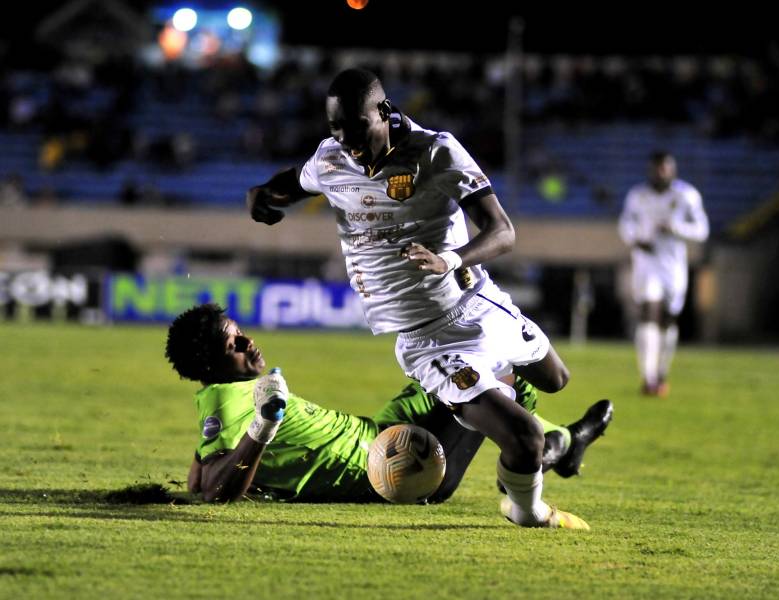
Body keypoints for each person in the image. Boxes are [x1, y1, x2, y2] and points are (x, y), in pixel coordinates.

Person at [246, 68, 612, 528]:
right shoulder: (331, 159)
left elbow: (502, 232)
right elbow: (293, 181)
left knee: (555, 379)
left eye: (354, 126)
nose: (344, 138)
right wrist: (262, 194)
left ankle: (532, 430)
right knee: (522, 438)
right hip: (427, 339)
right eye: (335, 128)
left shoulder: (436, 151)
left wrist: (452, 260)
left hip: (478, 302)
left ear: (382, 111)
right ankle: (529, 511)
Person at [166, 303, 612, 527]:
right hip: (402, 468)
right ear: (209, 366)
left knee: (463, 367)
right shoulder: (230, 400)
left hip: (382, 430)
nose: (248, 343)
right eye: (233, 345)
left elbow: (197, 478)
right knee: (491, 378)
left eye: (240, 334)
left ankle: (555, 446)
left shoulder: (224, 395)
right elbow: (213, 492)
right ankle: (546, 451)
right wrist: (263, 428)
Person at [618, 151, 709, 397]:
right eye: (657, 168)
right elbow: (625, 224)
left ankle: (660, 373)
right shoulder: (638, 195)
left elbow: (701, 230)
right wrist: (636, 239)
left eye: (665, 168)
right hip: (647, 264)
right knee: (649, 313)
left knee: (668, 320)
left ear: (673, 169)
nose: (661, 173)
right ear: (651, 169)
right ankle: (647, 378)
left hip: (673, 266)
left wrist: (676, 228)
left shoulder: (686, 195)